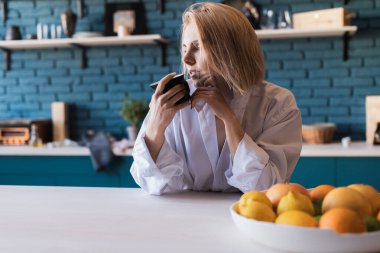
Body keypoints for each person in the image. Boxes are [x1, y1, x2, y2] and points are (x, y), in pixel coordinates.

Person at [130, 2, 302, 195]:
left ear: (231, 50)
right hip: (183, 217)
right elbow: (149, 182)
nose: (186, 60)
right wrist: (156, 125)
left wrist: (229, 120)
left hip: (250, 216)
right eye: (185, 47)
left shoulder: (278, 104)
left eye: (198, 46)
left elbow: (266, 187)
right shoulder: (170, 104)